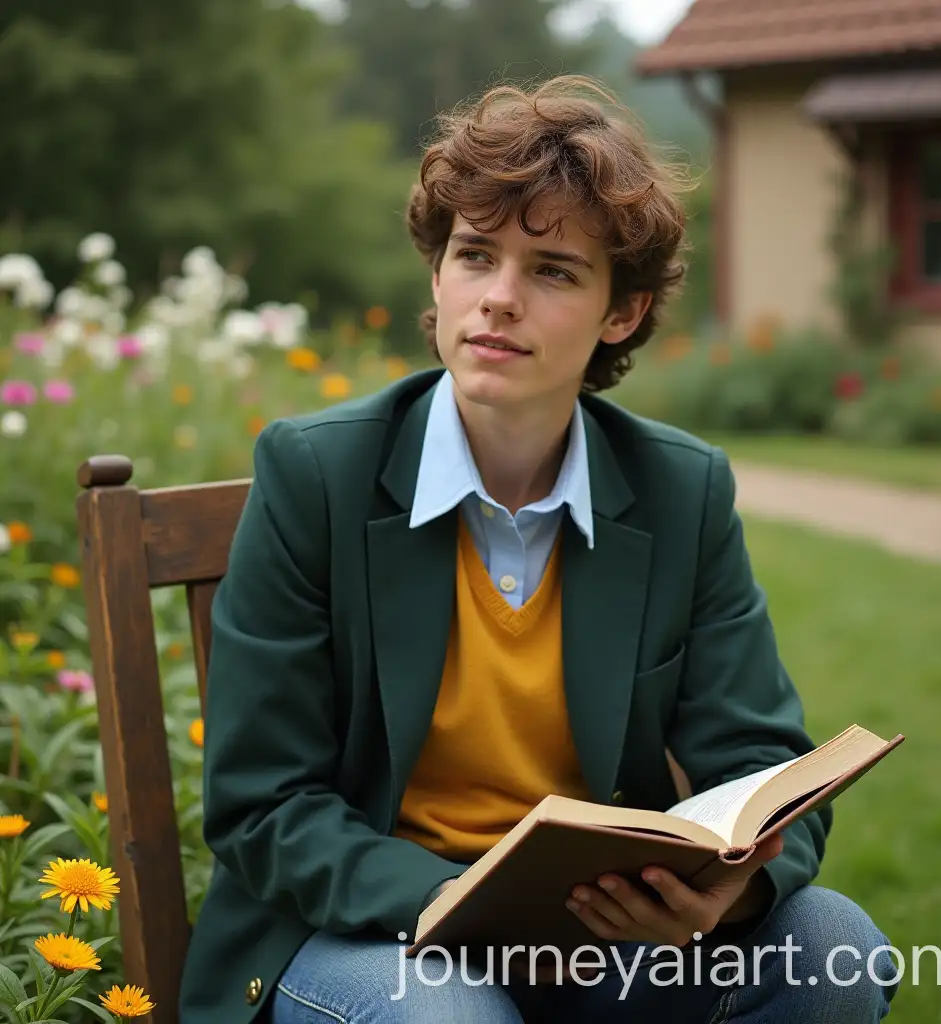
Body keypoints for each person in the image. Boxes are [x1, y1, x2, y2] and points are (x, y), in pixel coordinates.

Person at [179, 75, 899, 1023]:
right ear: (437, 279)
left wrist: (739, 885)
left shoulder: (682, 491)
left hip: (600, 936)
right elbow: (262, 803)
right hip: (374, 929)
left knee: (833, 950)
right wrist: (446, 904)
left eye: (553, 269)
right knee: (454, 1017)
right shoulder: (314, 475)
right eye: (475, 255)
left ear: (622, 313)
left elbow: (760, 755)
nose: (500, 300)